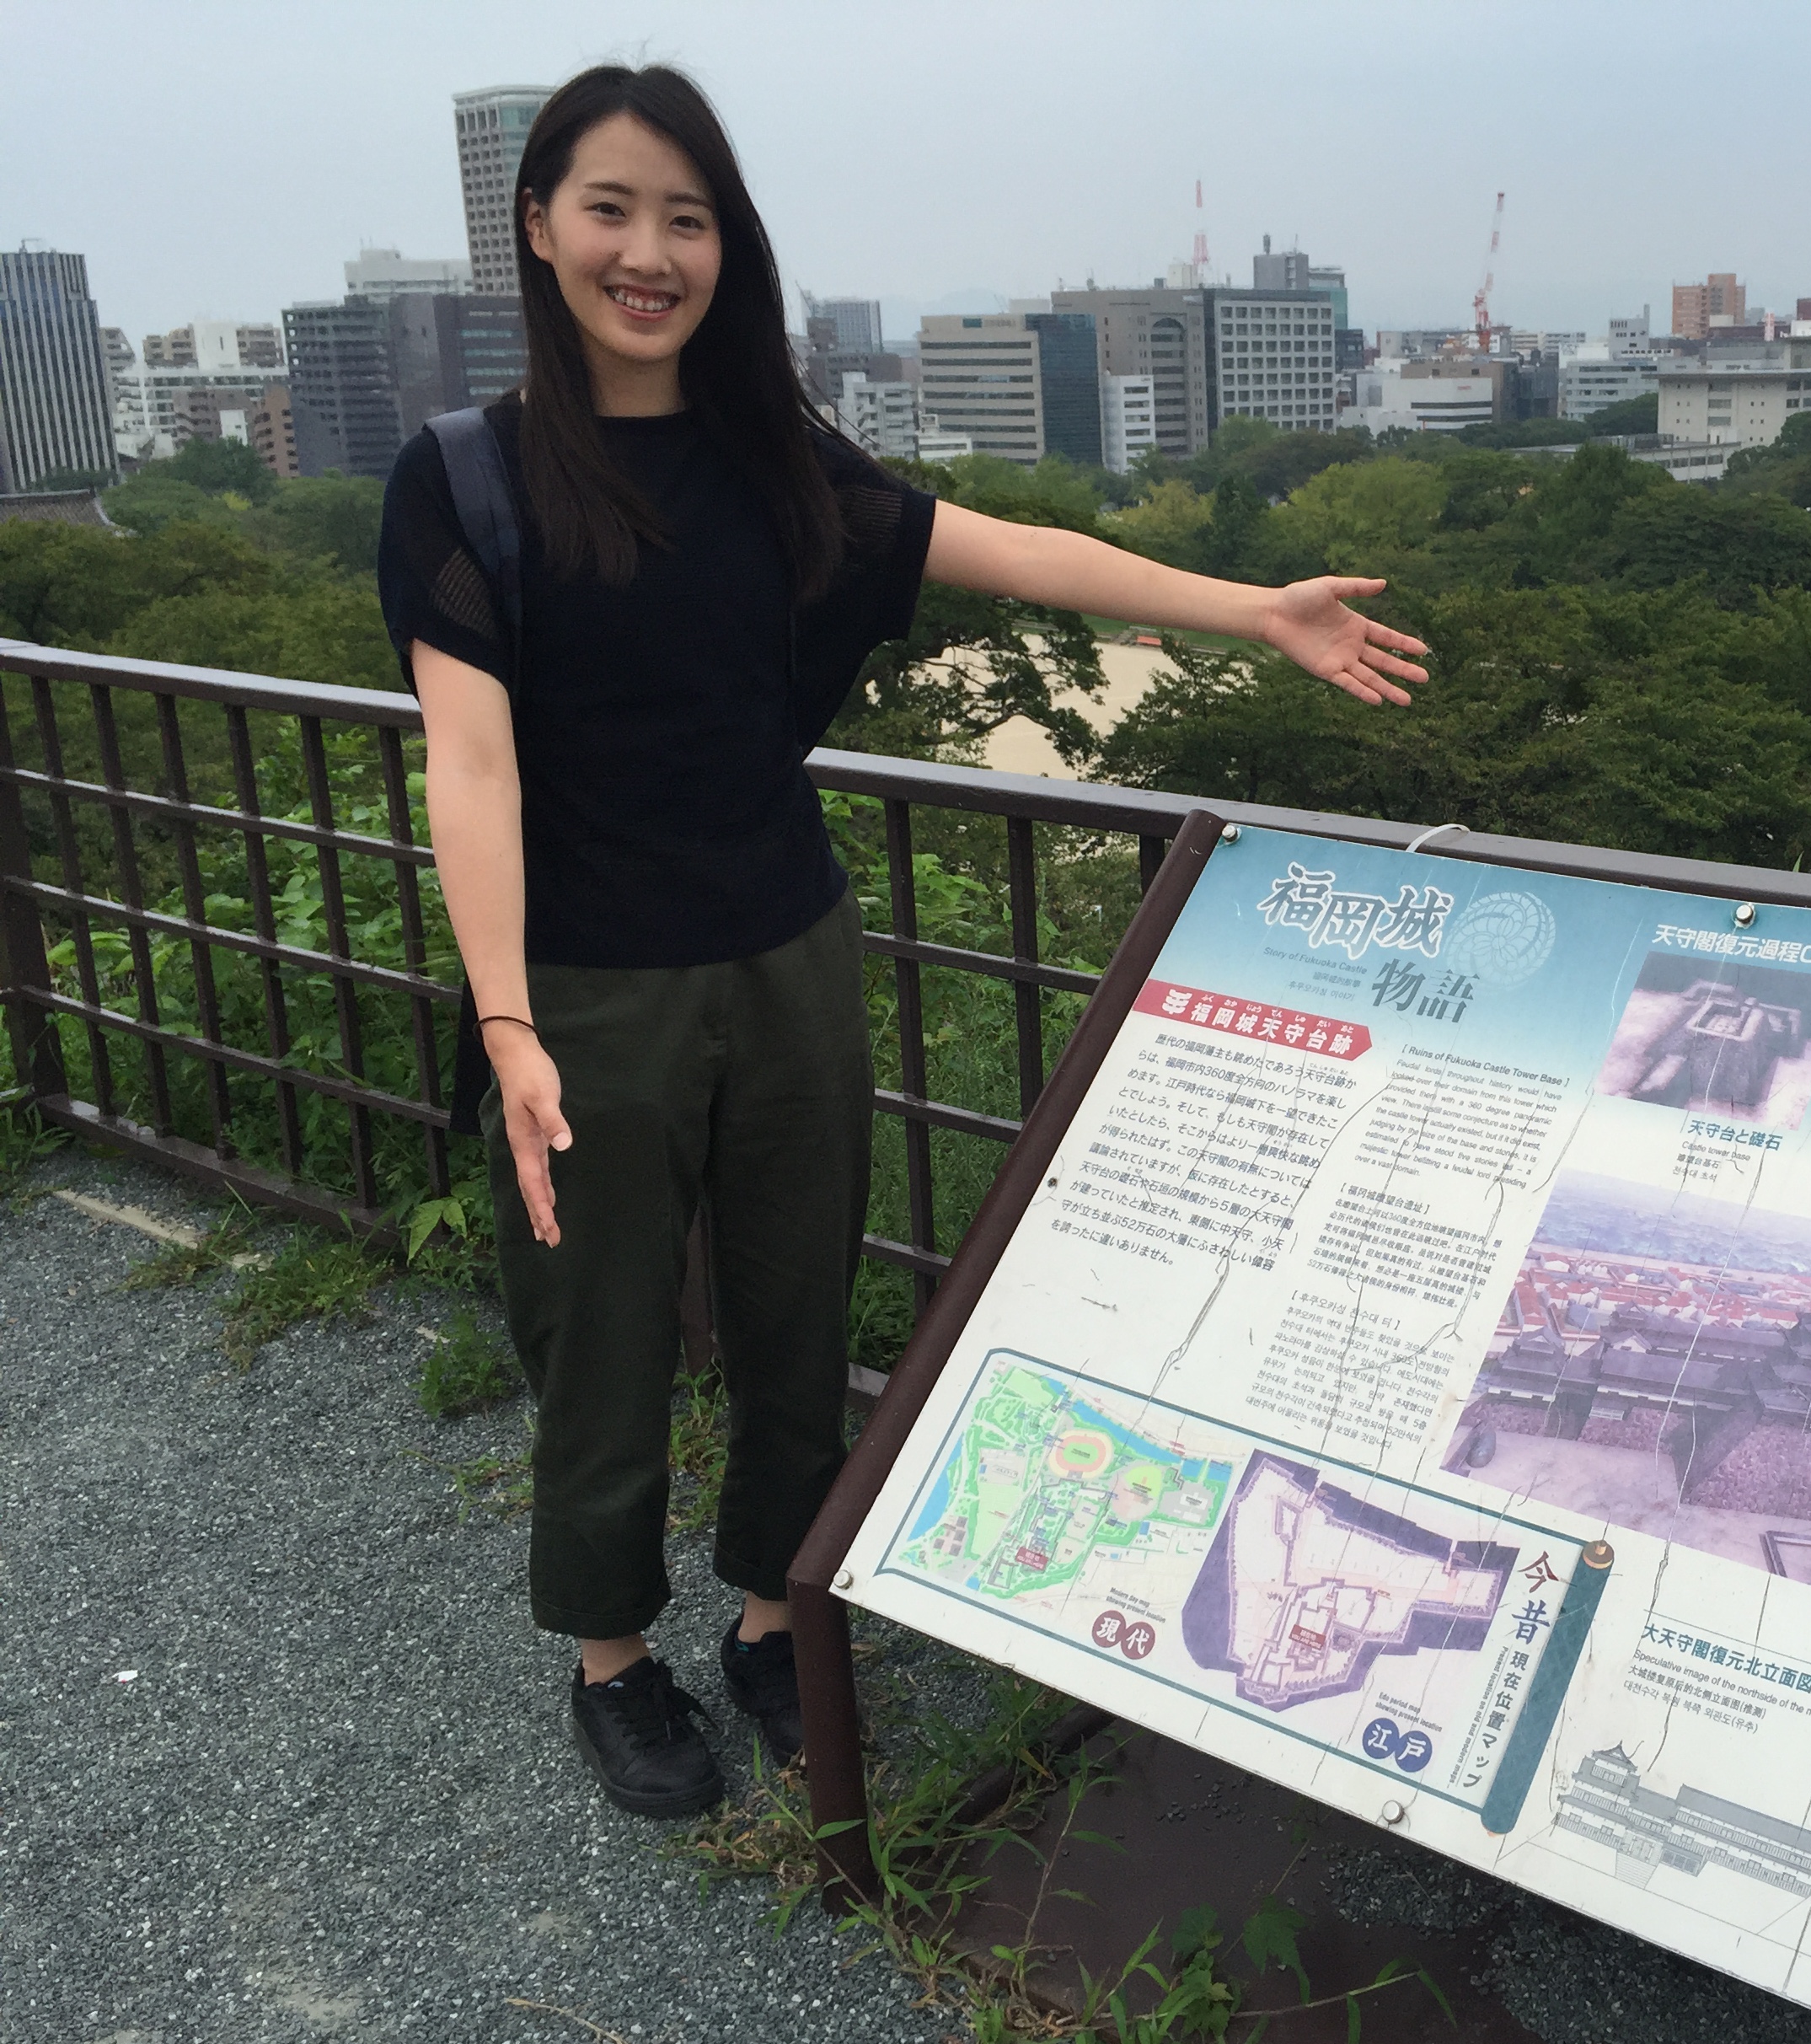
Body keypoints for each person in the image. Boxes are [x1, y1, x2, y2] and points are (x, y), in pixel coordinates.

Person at [378, 63, 1425, 1818]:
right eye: (612, 210)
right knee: (598, 1327)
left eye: (688, 219)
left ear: (729, 247)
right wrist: (505, 1021)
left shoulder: (773, 460)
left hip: (786, 953)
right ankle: (612, 1661)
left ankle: (775, 1620)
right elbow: (469, 769)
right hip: (583, 988)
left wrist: (1251, 609)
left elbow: (1001, 549)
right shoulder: (465, 478)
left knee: (798, 1306)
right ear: (539, 227)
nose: (649, 253)